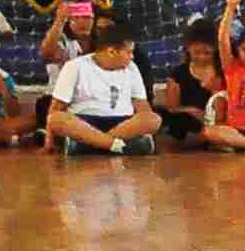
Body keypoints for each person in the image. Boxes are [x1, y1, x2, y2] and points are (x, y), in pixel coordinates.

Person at [46, 16, 162, 156]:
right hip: (84, 123)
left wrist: (146, 124)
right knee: (56, 118)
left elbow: (143, 108)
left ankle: (89, 145)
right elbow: (56, 108)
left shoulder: (132, 68)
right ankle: (116, 145)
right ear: (112, 51)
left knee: (154, 119)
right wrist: (49, 142)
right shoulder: (75, 66)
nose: (132, 57)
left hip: (122, 124)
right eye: (129, 52)